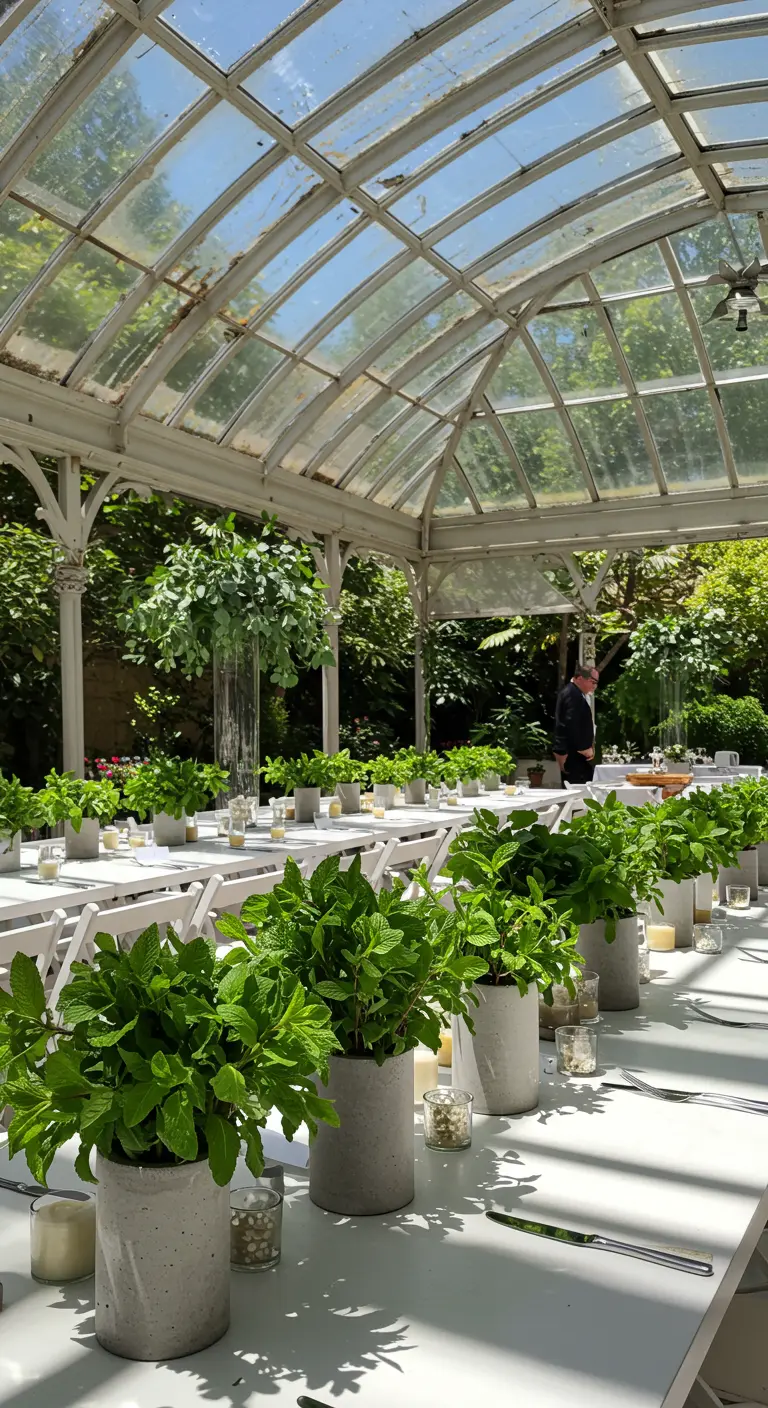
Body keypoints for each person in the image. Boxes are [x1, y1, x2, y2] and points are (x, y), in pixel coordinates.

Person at [554, 663, 599, 785]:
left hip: (574, 754)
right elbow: (571, 723)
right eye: (592, 682)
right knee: (578, 790)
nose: (594, 686)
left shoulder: (574, 693)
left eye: (596, 683)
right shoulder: (572, 694)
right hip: (573, 755)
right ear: (579, 678)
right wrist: (583, 748)